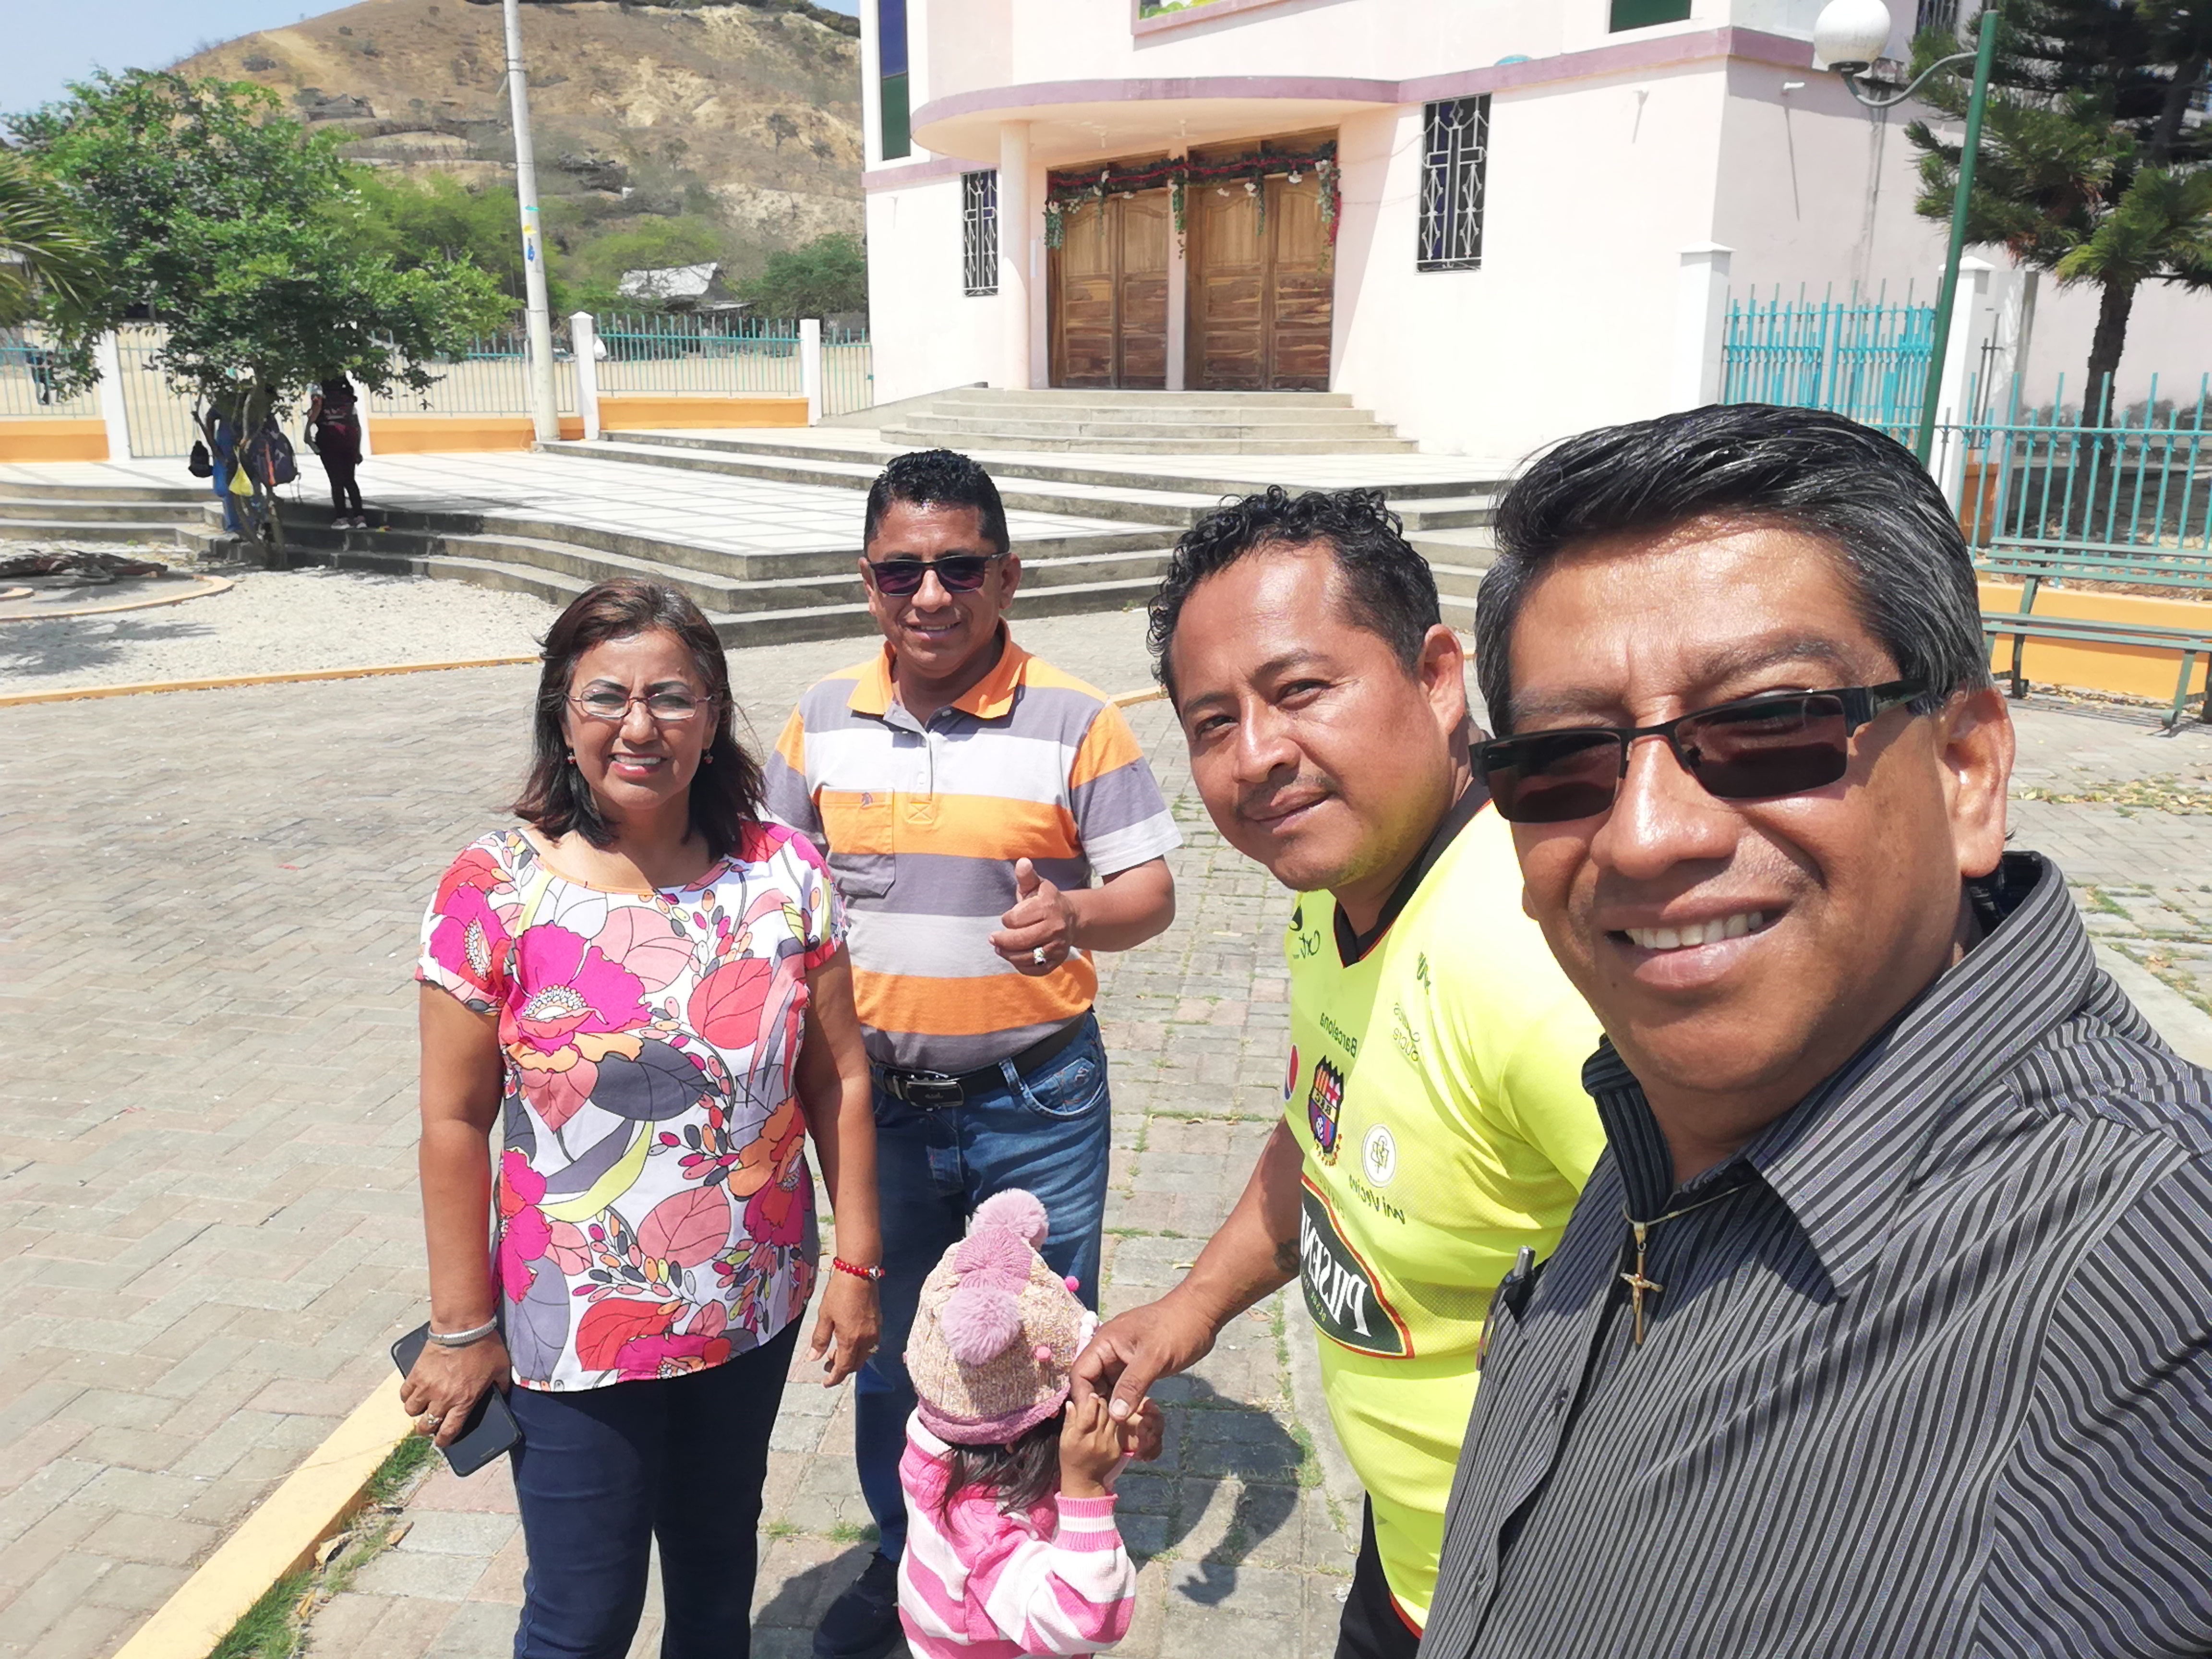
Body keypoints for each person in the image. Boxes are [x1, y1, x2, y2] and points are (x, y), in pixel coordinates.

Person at [1420, 404, 2212, 1659]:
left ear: (1966, 771)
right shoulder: (1675, 1108)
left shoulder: (2156, 1291)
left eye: (1769, 723)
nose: (1646, 835)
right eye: (1564, 761)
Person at [1072, 488, 1605, 1658]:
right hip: (1414, 1547)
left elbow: (1754, 1316)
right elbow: (1318, 1128)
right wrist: (1188, 1309)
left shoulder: (1534, 968)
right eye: (1213, 722)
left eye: (1302, 689)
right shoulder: (1334, 896)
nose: (1257, 753)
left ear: (1437, 676)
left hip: (1545, 1597)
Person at [403, 578, 883, 1659]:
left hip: (749, 1301)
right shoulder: (494, 889)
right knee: (583, 1618)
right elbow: (453, 1122)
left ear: (713, 717)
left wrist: (858, 1264)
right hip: (574, 1330)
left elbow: (840, 1080)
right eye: (605, 697)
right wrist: (461, 1326)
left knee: (716, 1587)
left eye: (671, 697)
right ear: (561, 715)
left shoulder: (783, 871)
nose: (639, 725)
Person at [764, 449, 1181, 1659]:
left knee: (1040, 1345)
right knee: (897, 1343)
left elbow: (1150, 890)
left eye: (959, 567)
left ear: (1008, 574)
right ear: (867, 579)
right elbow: (772, 891)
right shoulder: (818, 719)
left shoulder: (1078, 718)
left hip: (1035, 1096)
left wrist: (1075, 913)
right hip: (877, 1108)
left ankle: (1040, 1555)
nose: (931, 595)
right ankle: (909, 1554)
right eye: (902, 570)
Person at [895, 1189, 1155, 1659]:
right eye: (1078, 1395)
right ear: (1026, 1437)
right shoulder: (985, 1535)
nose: (1095, 1397)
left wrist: (1121, 1443)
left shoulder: (946, 1439)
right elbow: (1086, 1621)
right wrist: (1086, 1490)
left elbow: (1044, 1472)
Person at [307, 376, 365, 529]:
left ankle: (342, 518)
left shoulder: (319, 393)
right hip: (349, 438)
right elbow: (357, 424)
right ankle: (360, 518)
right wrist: (357, 449)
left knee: (336, 480)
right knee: (350, 480)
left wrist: (307, 432)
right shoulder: (348, 396)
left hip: (329, 438)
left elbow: (316, 409)